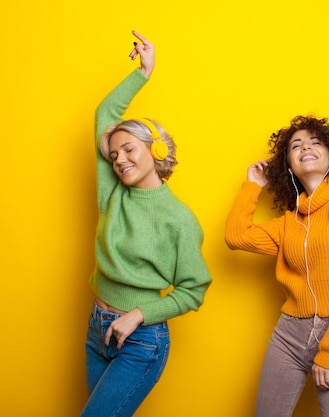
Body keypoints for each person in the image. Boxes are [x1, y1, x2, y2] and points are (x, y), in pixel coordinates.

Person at [80, 31, 212, 417]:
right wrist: (142, 72)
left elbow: (194, 290)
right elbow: (104, 116)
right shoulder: (113, 193)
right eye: (115, 153)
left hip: (141, 339)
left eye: (129, 149)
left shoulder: (179, 219)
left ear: (155, 151)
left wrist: (137, 315)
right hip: (97, 329)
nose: (119, 159)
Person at [225, 115, 329, 417]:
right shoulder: (289, 224)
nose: (305, 148)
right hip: (289, 335)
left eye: (315, 142)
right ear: (289, 166)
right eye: (295, 146)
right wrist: (252, 185)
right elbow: (236, 237)